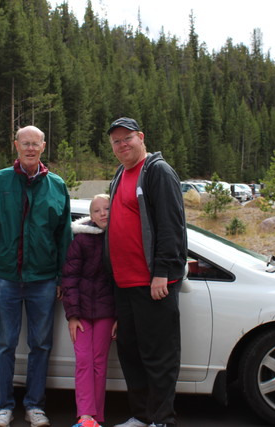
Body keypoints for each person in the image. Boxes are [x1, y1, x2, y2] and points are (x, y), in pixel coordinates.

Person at [0, 125, 73, 427]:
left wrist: (62, 278)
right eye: (25, 143)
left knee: (41, 345)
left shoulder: (57, 186)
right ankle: (2, 407)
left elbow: (64, 237)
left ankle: (35, 406)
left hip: (43, 281)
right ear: (15, 145)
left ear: (44, 146)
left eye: (36, 144)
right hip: (5, 278)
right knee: (5, 344)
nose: (30, 148)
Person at [105, 117, 187, 427]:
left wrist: (162, 273)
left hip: (152, 282)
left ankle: (161, 419)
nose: (122, 145)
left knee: (158, 356)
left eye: (127, 138)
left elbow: (171, 225)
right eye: (116, 141)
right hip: (125, 284)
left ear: (141, 137)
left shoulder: (157, 171)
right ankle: (141, 416)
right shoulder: (121, 174)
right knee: (131, 355)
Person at [61, 194, 117, 427]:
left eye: (107, 208)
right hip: (82, 313)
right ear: (91, 216)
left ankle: (97, 417)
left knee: (98, 361)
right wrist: (72, 315)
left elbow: (121, 282)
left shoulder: (118, 238)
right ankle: (85, 415)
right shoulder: (82, 240)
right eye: (97, 211)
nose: (103, 213)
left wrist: (119, 317)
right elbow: (70, 278)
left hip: (106, 313)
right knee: (83, 360)